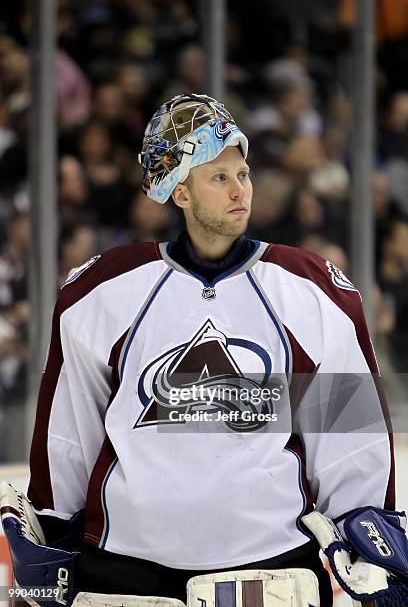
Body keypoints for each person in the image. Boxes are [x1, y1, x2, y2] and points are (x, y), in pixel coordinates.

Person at [1, 94, 405, 607]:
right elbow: (68, 439)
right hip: (126, 579)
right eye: (219, 178)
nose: (240, 191)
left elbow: (350, 442)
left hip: (274, 573)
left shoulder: (312, 293)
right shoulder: (101, 293)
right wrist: (53, 540)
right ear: (181, 193)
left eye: (244, 174)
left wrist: (374, 554)